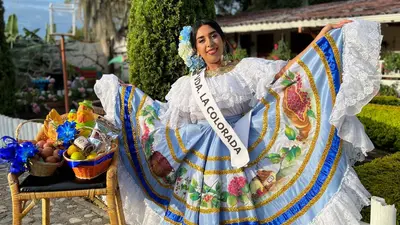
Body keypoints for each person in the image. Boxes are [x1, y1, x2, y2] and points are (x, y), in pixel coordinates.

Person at [94, 18, 381, 225]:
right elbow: (165, 118)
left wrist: (322, 38)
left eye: (213, 36)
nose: (210, 44)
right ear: (195, 49)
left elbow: (287, 73)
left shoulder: (245, 69)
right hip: (202, 164)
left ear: (223, 39)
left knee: (249, 210)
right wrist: (126, 95)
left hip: (244, 149)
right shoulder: (186, 85)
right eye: (202, 40)